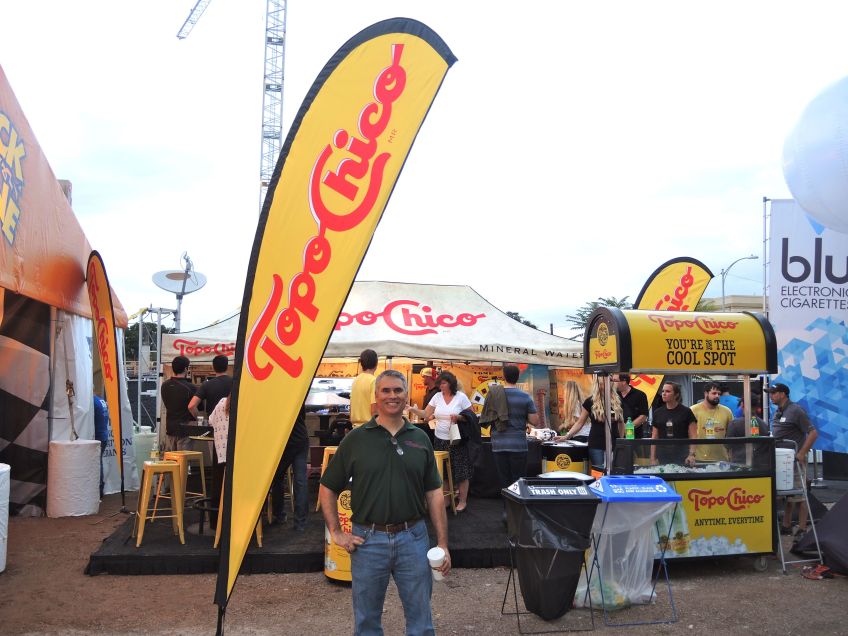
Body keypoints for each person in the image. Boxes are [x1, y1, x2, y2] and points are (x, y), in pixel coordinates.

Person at [318, 370, 450, 635]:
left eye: (398, 390)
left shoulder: (420, 438)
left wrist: (443, 544)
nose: (392, 396)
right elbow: (327, 487)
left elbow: (435, 493)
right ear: (376, 396)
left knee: (421, 622)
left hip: (413, 538)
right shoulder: (356, 439)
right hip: (367, 540)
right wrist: (336, 533)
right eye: (386, 391)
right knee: (366, 622)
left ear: (405, 396)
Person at [410, 371, 474, 512]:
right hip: (440, 438)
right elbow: (426, 414)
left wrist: (459, 417)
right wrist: (413, 410)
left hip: (456, 439)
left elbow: (471, 415)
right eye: (440, 384)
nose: (441, 386)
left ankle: (462, 501)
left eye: (443, 383)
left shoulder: (461, 397)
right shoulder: (437, 397)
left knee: (461, 470)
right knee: (444, 471)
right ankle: (446, 500)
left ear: (451, 383)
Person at [769, 383, 818, 537]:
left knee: (800, 493)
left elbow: (813, 433)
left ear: (783, 394)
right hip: (782, 458)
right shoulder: (779, 411)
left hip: (795, 458)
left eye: (773, 393)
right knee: (788, 492)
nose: (771, 396)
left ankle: (802, 528)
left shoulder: (796, 410)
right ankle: (786, 525)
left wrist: (802, 453)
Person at [489, 365, 539, 492]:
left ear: (504, 377)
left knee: (504, 480)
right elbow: (535, 421)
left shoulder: (494, 395)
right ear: (518, 377)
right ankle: (517, 508)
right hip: (518, 444)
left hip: (499, 443)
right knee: (518, 480)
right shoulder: (525, 397)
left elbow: (487, 417)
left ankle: (507, 509)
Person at [270, 405, 310, 530]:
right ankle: (300, 523)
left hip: (282, 441)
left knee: (275, 478)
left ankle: (279, 515)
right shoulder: (295, 389)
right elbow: (302, 415)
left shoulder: (270, 395)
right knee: (300, 481)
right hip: (300, 438)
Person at [571, 374, 622, 468]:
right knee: (599, 472)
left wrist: (622, 440)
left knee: (614, 471)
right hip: (596, 443)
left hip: (614, 442)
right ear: (598, 385)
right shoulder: (590, 401)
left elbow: (621, 423)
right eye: (604, 383)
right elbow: (580, 422)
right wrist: (567, 436)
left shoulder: (617, 400)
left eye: (610, 381)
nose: (608, 384)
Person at [650, 381, 697, 466]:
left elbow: (693, 435)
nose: (664, 394)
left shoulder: (686, 412)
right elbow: (654, 436)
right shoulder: (658, 412)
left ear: (676, 395)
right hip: (662, 455)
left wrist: (691, 454)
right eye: (663, 391)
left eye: (668, 391)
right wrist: (652, 458)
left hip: (682, 454)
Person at [690, 382, 734, 463]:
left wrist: (731, 455)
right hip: (699, 458)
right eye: (714, 393)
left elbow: (731, 435)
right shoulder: (693, 410)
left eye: (719, 394)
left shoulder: (727, 411)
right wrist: (691, 454)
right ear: (706, 393)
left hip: (721, 459)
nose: (717, 396)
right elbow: (689, 434)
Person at [160, 355, 196, 451]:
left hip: (171, 428)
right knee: (183, 461)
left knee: (174, 461)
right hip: (186, 429)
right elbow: (194, 407)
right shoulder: (191, 387)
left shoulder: (164, 385)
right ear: (185, 369)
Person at [726, 394, 770, 464]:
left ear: (742, 404)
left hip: (739, 464)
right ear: (756, 406)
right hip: (760, 466)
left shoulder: (734, 424)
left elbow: (728, 445)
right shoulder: (764, 425)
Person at [188, 354, 232, 421]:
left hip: (213, 424)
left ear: (213, 367)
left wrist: (201, 420)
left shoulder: (207, 384)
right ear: (227, 367)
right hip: (232, 424)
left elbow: (191, 406)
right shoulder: (236, 383)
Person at [612, 373, 649, 439]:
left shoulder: (640, 395)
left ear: (623, 382)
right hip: (615, 436)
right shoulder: (612, 395)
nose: (612, 383)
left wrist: (627, 427)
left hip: (635, 436)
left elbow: (643, 415)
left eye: (615, 380)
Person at [350, 349, 378, 428]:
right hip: (369, 428)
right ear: (376, 363)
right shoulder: (373, 381)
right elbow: (374, 410)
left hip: (355, 428)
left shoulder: (355, 381)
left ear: (362, 364)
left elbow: (351, 407)